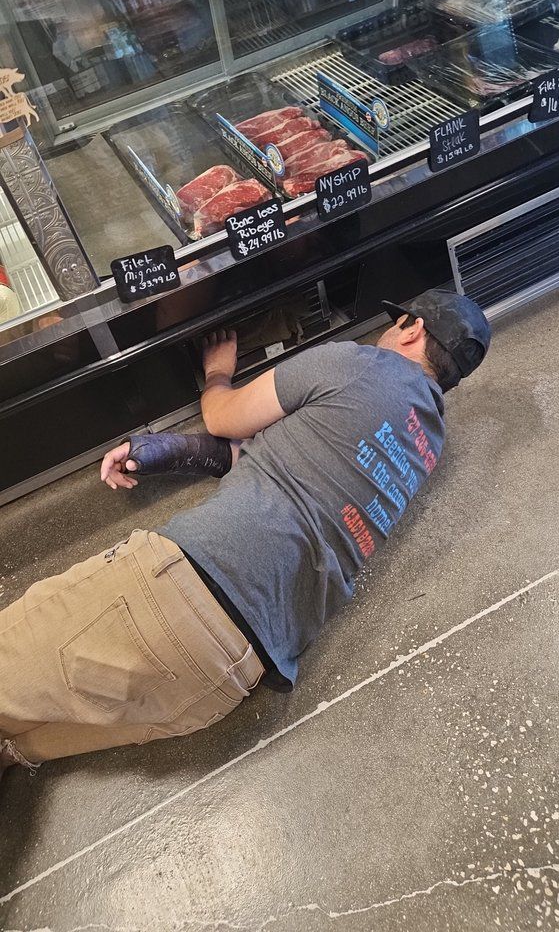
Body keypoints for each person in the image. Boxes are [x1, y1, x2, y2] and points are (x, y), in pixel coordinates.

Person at [0, 289, 491, 778]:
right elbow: (277, 460)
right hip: (230, 675)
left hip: (172, 597)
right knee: (15, 747)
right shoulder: (427, 444)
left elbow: (223, 418)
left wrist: (218, 373)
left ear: (413, 329)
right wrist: (164, 452)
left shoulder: (361, 364)